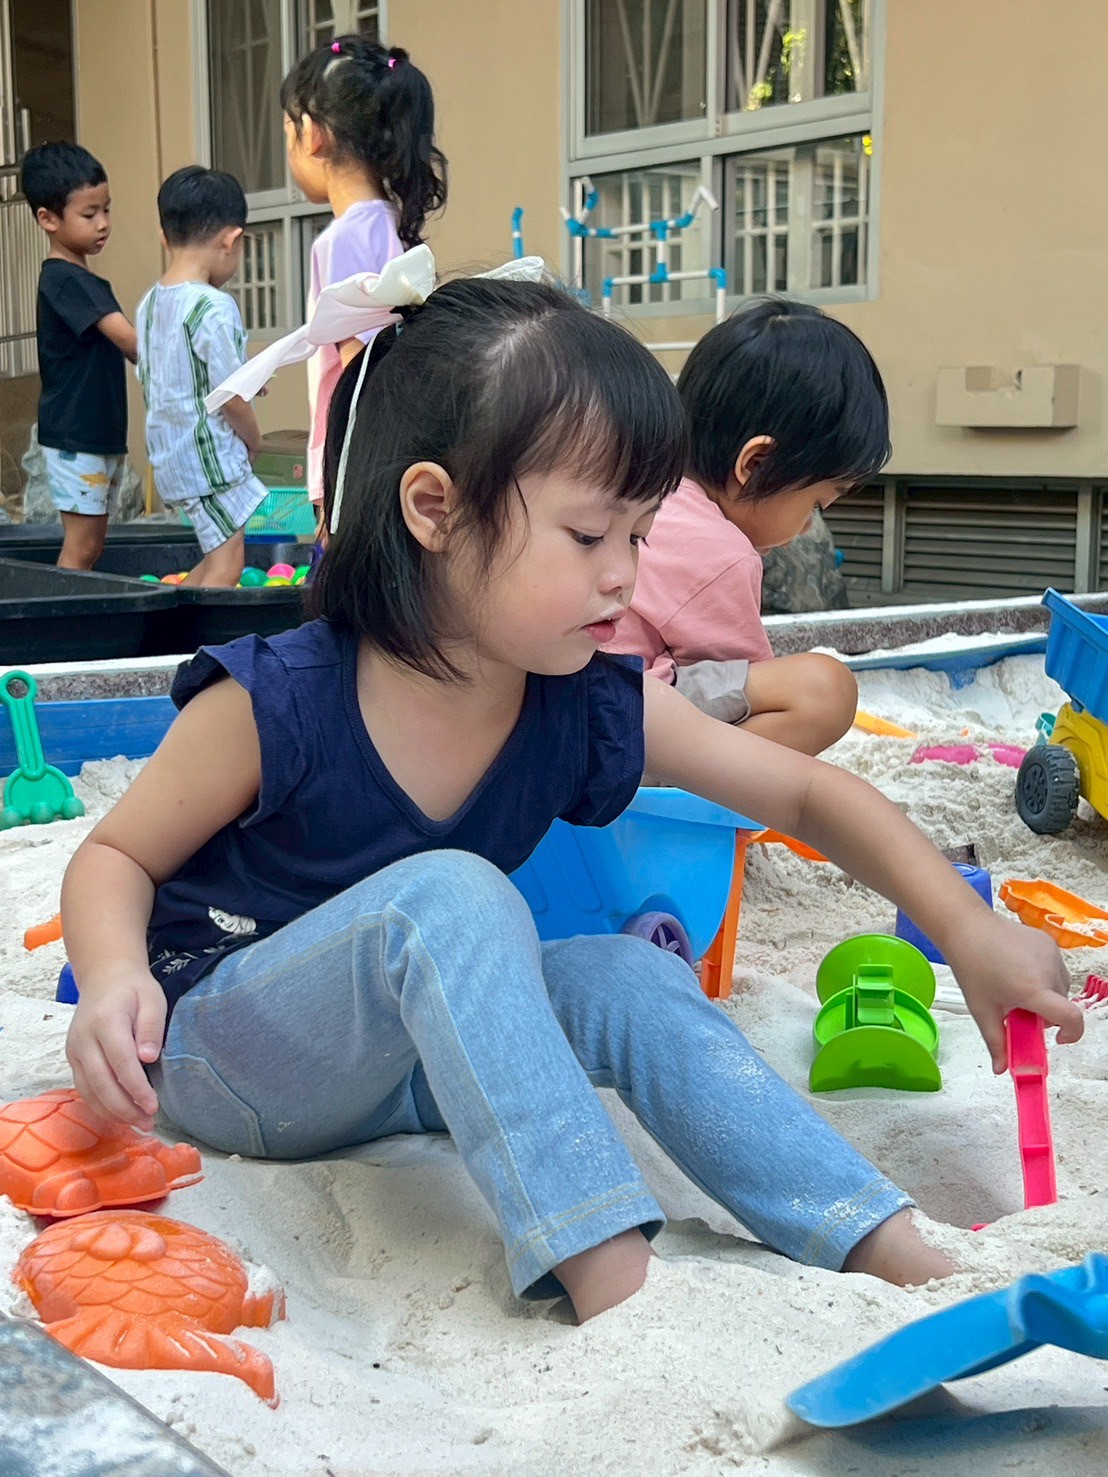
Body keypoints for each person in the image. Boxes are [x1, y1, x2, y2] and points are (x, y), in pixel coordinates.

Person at [61, 267, 1082, 1327]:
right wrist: (115, 976)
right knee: (453, 894)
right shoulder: (278, 699)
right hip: (227, 1056)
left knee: (628, 975)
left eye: (640, 535)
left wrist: (968, 929)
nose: (623, 576)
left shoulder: (578, 697)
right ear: (434, 509)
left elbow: (806, 793)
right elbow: (114, 855)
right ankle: (615, 1283)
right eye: (589, 536)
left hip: (401, 1071)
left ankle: (878, 1237)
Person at [606, 298, 890, 755]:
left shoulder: (644, 491)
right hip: (617, 731)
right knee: (825, 690)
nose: (806, 528)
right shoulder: (719, 551)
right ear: (755, 464)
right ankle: (700, 789)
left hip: (579, 705)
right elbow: (744, 690)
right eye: (815, 504)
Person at [280, 34, 447, 518]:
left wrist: (340, 486)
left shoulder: (342, 239)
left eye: (288, 131)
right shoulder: (391, 224)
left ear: (313, 134)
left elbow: (360, 364)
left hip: (355, 459)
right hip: (391, 453)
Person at [135, 167, 268, 587]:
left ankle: (172, 619)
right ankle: (191, 629)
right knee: (227, 567)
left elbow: (173, 374)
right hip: (210, 458)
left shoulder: (149, 304)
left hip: (172, 457)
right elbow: (230, 397)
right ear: (231, 240)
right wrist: (254, 440)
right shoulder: (213, 306)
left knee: (215, 561)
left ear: (165, 237)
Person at [20, 143, 137, 571]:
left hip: (96, 433)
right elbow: (132, 343)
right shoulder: (65, 280)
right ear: (48, 219)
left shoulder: (81, 278)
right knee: (82, 546)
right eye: (89, 214)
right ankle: (63, 609)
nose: (103, 223)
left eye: (106, 209)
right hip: (77, 436)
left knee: (92, 543)